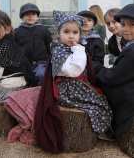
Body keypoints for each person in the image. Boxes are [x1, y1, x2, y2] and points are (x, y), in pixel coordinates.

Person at [34, 10, 113, 153]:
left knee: (101, 98)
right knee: (97, 103)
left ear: (80, 34)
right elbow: (74, 70)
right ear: (58, 33)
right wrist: (78, 51)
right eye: (66, 32)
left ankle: (102, 126)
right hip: (67, 90)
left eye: (75, 32)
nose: (71, 36)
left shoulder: (70, 48)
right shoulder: (60, 51)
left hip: (76, 85)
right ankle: (100, 128)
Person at [96, 3, 134, 137]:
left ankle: (108, 125)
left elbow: (114, 76)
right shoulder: (127, 43)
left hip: (129, 94)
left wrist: (96, 69)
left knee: (100, 88)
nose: (126, 29)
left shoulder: (132, 50)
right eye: (123, 24)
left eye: (132, 25)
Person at [14, 3, 52, 85]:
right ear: (22, 17)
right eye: (27, 14)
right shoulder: (17, 32)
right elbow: (14, 48)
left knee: (41, 75)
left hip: (41, 62)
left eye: (33, 14)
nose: (30, 16)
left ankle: (39, 94)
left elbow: (49, 45)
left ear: (37, 16)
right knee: (22, 79)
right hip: (23, 63)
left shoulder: (43, 30)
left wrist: (50, 59)